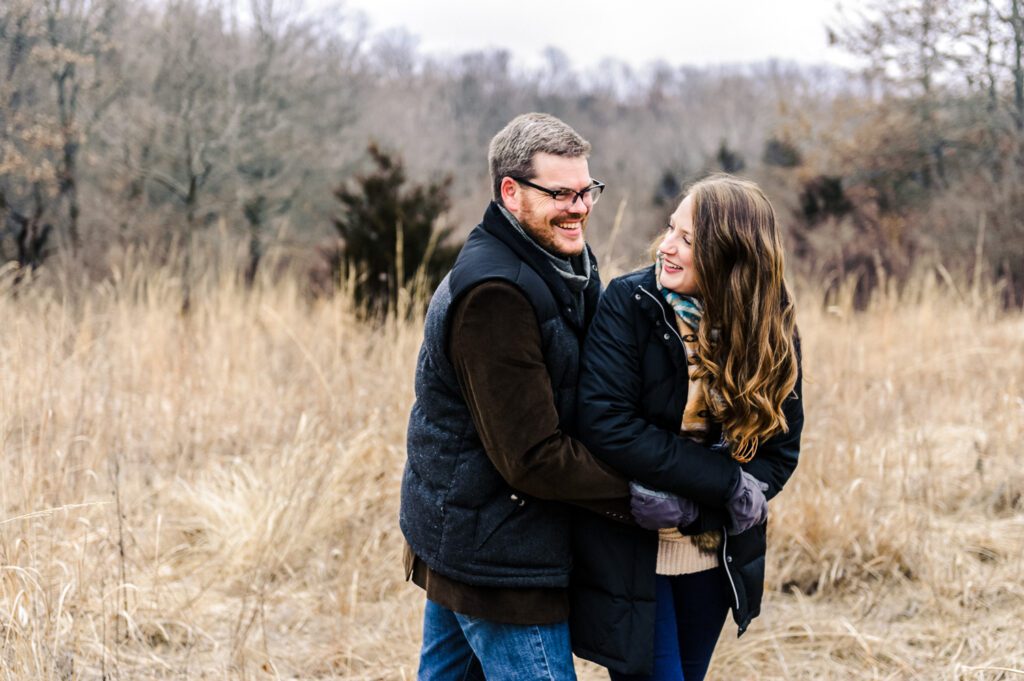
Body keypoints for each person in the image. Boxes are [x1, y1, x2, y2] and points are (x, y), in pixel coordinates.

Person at [400, 112, 632, 681]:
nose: (579, 207)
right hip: (498, 556)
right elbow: (532, 457)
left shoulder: (560, 260)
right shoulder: (496, 297)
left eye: (587, 191)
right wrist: (641, 489)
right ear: (511, 192)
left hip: (476, 536)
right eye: (560, 193)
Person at [570, 174, 804, 680]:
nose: (667, 248)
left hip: (715, 557)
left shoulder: (771, 323)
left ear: (730, 255)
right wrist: (723, 485)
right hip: (633, 550)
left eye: (689, 240)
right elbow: (608, 424)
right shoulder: (630, 303)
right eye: (670, 229)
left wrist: (703, 507)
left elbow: (780, 450)